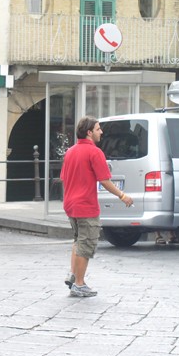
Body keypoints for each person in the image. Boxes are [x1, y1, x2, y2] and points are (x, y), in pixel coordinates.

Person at [60, 116, 134, 297]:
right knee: (87, 244)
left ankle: (73, 276)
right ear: (89, 132)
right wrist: (122, 195)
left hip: (71, 204)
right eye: (98, 129)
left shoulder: (70, 151)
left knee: (78, 241)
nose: (101, 132)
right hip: (86, 205)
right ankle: (79, 283)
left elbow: (63, 178)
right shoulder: (95, 152)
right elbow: (105, 181)